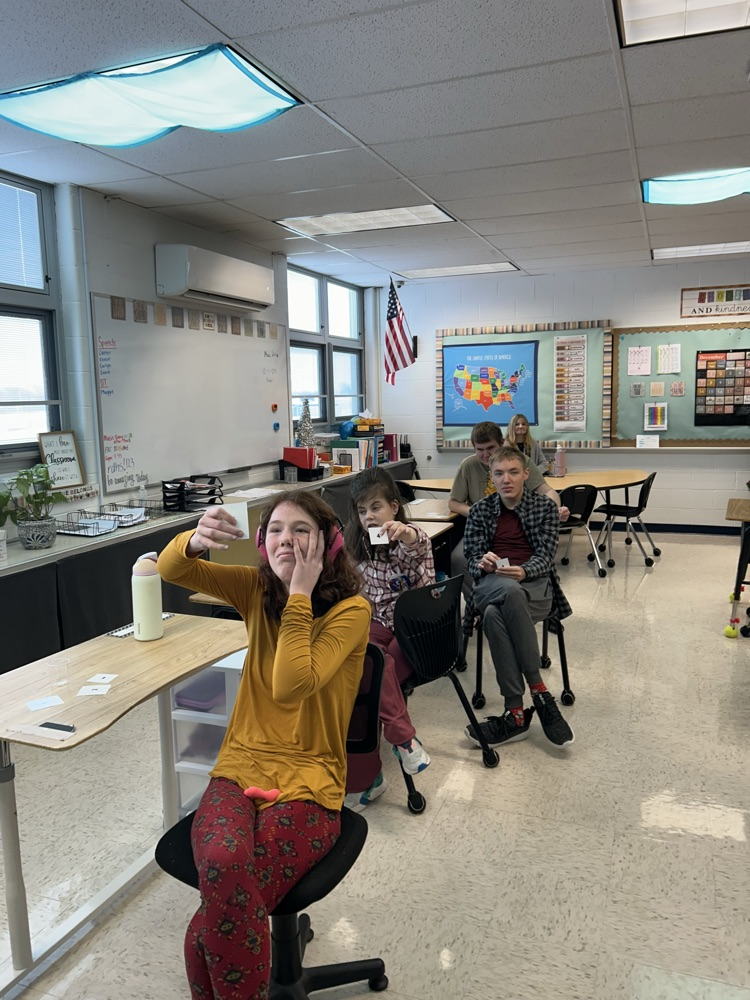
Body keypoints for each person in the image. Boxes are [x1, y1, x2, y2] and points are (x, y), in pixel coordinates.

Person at [157, 491, 370, 1000]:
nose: (286, 540)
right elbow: (171, 570)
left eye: (301, 530)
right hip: (240, 766)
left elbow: (292, 684)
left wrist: (299, 594)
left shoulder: (352, 611)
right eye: (275, 530)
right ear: (260, 542)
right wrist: (195, 539)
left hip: (310, 782)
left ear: (330, 543)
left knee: (206, 930)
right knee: (222, 864)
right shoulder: (255, 589)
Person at [462, 445, 574, 749]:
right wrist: (482, 563)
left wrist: (524, 571)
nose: (506, 479)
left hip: (534, 587)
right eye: (499, 473)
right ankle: (539, 689)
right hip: (491, 584)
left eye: (513, 472)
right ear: (491, 477)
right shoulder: (480, 511)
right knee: (507, 591)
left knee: (493, 615)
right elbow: (471, 559)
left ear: (526, 474)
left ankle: (515, 714)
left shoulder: (544, 508)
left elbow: (546, 557)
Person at [342, 467, 433, 810]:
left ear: (394, 507)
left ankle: (369, 777)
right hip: (379, 624)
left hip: (417, 628)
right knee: (364, 663)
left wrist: (404, 532)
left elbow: (417, 543)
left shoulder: (411, 540)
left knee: (370, 674)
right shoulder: (358, 545)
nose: (369, 516)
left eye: (376, 507)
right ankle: (404, 741)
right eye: (362, 510)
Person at [449, 421, 566, 593]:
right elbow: (453, 502)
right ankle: (476, 598)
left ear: (501, 443)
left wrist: (553, 510)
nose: (486, 454)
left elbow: (547, 490)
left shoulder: (519, 460)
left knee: (522, 559)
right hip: (482, 527)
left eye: (490, 448)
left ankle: (516, 594)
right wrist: (477, 514)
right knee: (459, 559)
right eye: (480, 449)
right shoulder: (468, 465)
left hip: (518, 523)